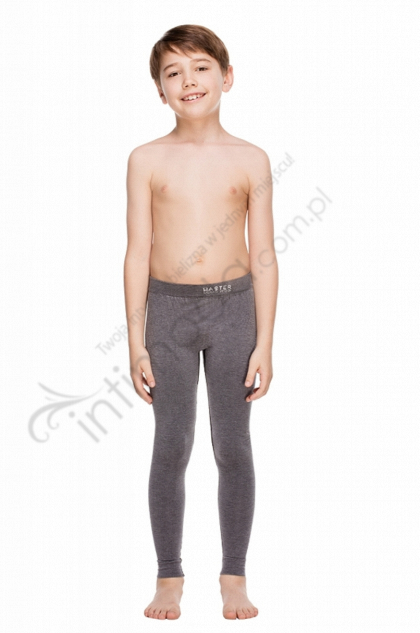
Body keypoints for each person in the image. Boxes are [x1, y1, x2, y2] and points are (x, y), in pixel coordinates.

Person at [123, 24, 278, 620]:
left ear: (227, 76)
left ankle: (234, 574)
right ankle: (169, 575)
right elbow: (137, 252)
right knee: (172, 442)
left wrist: (266, 341)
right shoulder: (145, 159)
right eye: (173, 72)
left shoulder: (251, 159)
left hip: (234, 310)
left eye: (201, 67)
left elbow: (264, 255)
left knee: (233, 444)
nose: (188, 80)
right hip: (167, 314)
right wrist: (135, 342)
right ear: (160, 91)